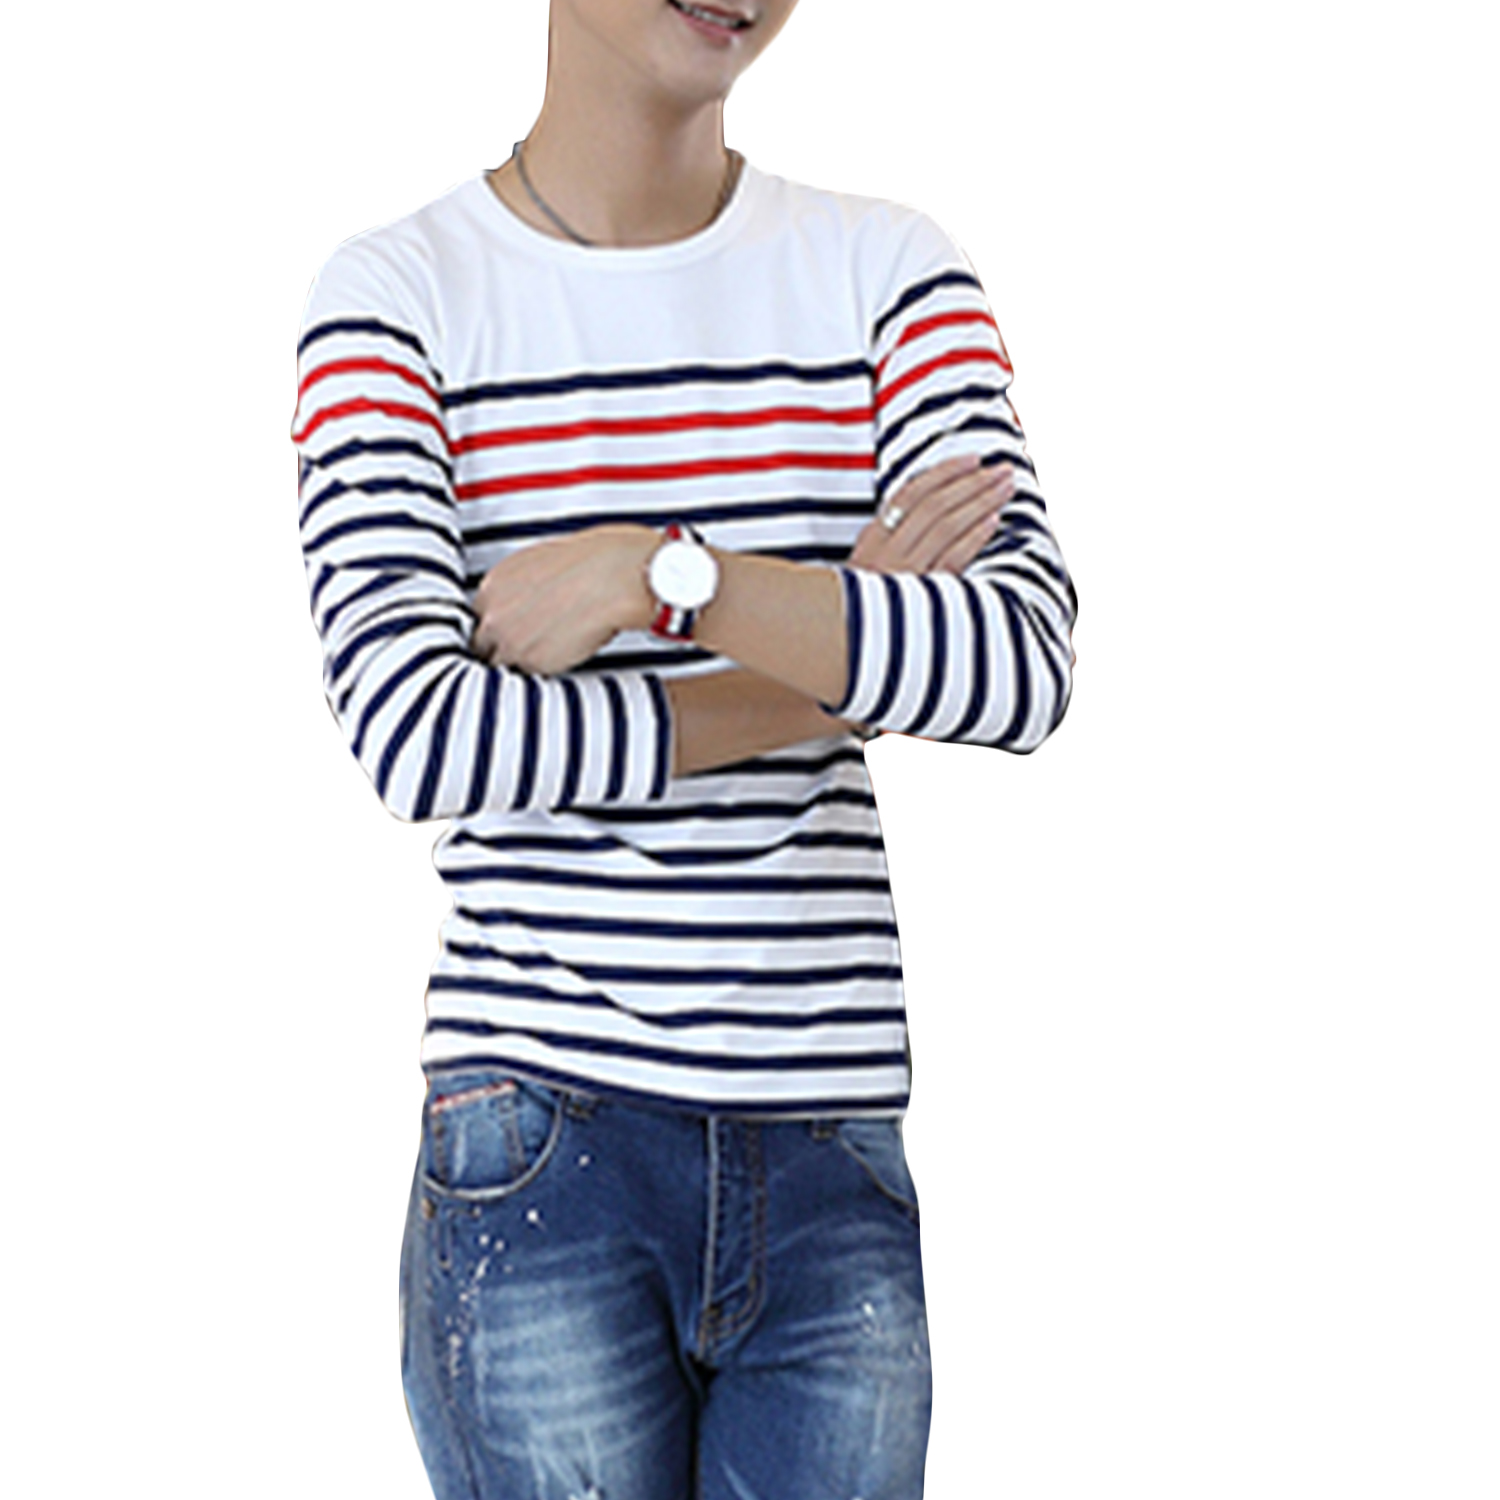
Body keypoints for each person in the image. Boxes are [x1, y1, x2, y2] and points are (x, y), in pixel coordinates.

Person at [291, 2, 1076, 1495]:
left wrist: (660, 575)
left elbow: (1020, 661)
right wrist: (831, 658)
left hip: (830, 1147)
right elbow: (417, 735)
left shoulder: (890, 273)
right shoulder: (396, 297)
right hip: (543, 1135)